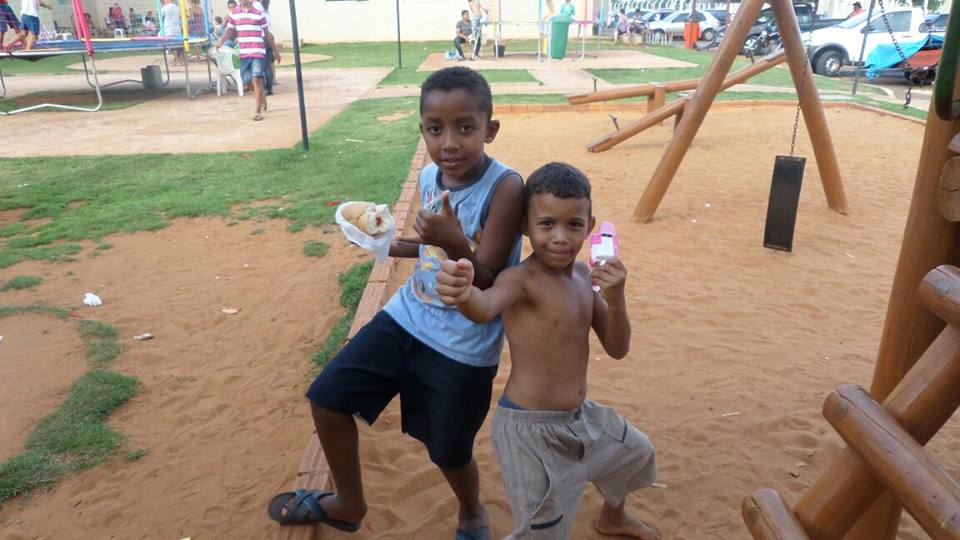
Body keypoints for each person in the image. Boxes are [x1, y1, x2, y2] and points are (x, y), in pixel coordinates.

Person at [266, 67, 524, 540]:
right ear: (422, 129)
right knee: (327, 398)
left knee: (448, 449)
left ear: (490, 129)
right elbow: (427, 247)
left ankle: (470, 510)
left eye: (465, 128)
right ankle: (348, 504)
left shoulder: (506, 188)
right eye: (434, 128)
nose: (449, 142)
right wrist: (383, 242)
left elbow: (486, 275)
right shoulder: (431, 174)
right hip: (408, 315)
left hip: (463, 341)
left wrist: (453, 241)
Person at [436, 162, 659, 540]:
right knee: (542, 531)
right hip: (528, 432)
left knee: (635, 452)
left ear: (589, 227)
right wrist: (462, 294)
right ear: (525, 225)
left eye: (573, 225)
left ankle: (613, 516)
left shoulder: (585, 279)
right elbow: (484, 306)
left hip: (580, 417)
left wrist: (617, 300)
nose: (560, 237)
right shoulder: (520, 280)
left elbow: (617, 348)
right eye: (546, 224)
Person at [216, 0, 279, 120]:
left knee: (256, 79)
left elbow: (267, 34)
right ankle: (261, 97)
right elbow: (229, 31)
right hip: (244, 53)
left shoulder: (259, 13)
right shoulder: (234, 14)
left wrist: (276, 51)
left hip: (258, 52)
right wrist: (220, 42)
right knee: (247, 82)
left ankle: (258, 112)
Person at [252, 0, 273, 95]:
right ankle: (269, 88)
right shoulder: (266, 10)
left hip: (261, 37)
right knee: (268, 65)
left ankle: (263, 89)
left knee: (260, 65)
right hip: (269, 36)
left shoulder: (256, 5)